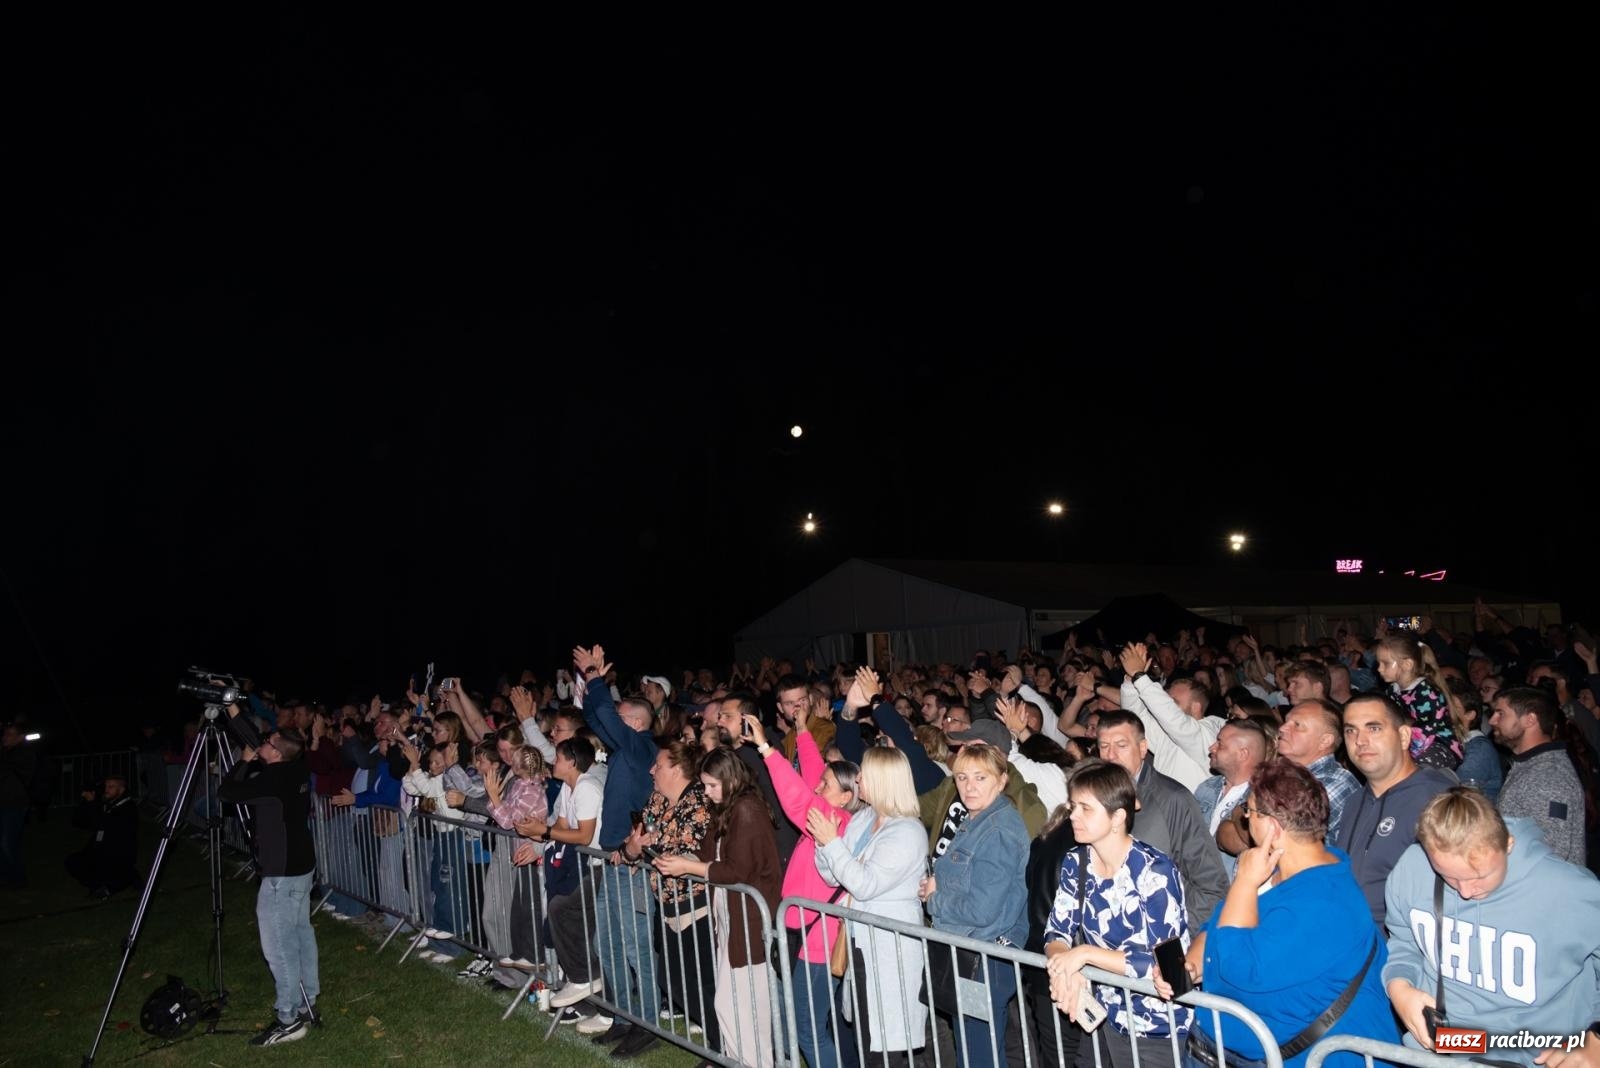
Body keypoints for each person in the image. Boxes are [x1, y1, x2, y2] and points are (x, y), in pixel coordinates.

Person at [1183, 759, 1398, 1068]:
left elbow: (1237, 967)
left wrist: (1243, 881)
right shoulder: (1273, 871)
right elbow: (1221, 921)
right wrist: (1194, 960)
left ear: (1272, 826)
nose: (1246, 819)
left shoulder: (1325, 902)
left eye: (1250, 811)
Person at [1383, 789, 1600, 1067]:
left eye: (1480, 876)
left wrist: (1595, 1037)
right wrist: (1399, 987)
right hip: (1445, 1053)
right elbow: (1404, 942)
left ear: (1508, 844)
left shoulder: (1569, 892)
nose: (1465, 891)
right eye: (1448, 876)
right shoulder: (1412, 869)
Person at [1045, 760, 1191, 1068]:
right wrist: (1063, 969)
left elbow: (1165, 965)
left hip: (1158, 1026)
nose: (1073, 815)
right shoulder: (1076, 862)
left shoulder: (1154, 871)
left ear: (1117, 817)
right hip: (1107, 1016)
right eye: (1073, 806)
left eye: (1085, 808)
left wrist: (1084, 954)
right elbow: (1057, 931)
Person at [655, 746, 784, 1068]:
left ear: (731, 778)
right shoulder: (729, 806)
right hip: (733, 915)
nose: (708, 793)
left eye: (713, 785)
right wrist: (683, 859)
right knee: (730, 1003)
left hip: (751, 920)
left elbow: (737, 870)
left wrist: (687, 868)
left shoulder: (747, 810)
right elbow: (708, 851)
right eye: (705, 786)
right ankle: (737, 1060)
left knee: (747, 1006)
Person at [750, 710, 862, 1068]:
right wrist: (802, 733)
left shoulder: (834, 820)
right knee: (803, 1023)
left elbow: (799, 799)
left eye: (827, 786)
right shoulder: (834, 809)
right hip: (805, 932)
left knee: (808, 1030)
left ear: (845, 797)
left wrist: (767, 749)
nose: (817, 786)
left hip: (819, 942)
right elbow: (815, 775)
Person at [809, 747, 929, 1067]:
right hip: (860, 943)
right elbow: (833, 876)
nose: (858, 778)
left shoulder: (907, 831)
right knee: (866, 1036)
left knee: (885, 1046)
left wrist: (832, 842)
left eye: (864, 773)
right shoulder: (865, 818)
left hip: (889, 949)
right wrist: (825, 842)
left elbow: (864, 884)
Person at [919, 742, 1030, 1068]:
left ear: (1002, 779)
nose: (969, 786)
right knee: (974, 1051)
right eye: (962, 777)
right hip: (971, 953)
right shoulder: (978, 819)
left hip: (984, 958)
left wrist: (934, 899)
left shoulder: (998, 829)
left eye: (980, 778)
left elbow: (983, 910)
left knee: (980, 1055)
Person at [216, 728, 319, 1046]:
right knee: (301, 933)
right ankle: (307, 1000)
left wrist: (242, 762)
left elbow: (227, 793)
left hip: (282, 874)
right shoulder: (297, 768)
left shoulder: (273, 778)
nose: (260, 745)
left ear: (276, 752)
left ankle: (288, 1018)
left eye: (266, 743)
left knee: (279, 947)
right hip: (302, 867)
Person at [1490, 686, 1587, 867]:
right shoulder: (1531, 766)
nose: (1492, 720)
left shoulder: (1549, 776)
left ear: (1530, 719)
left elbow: (1554, 851)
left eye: (1500, 713)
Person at [1376, 631, 1464, 770]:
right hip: (1409, 742)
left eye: (1385, 663)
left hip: (1439, 745)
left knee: (1415, 770)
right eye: (1378, 663)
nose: (1379, 669)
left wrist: (1402, 752)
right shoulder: (1392, 691)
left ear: (1407, 664)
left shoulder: (1427, 692)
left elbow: (1426, 730)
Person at [66, 774, 138, 897]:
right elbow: (79, 822)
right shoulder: (107, 803)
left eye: (111, 787)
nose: (106, 789)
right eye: (106, 786)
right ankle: (104, 885)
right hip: (101, 849)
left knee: (105, 868)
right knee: (72, 862)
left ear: (121, 789)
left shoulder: (127, 808)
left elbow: (104, 825)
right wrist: (87, 802)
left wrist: (93, 804)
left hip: (118, 853)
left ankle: (113, 884)